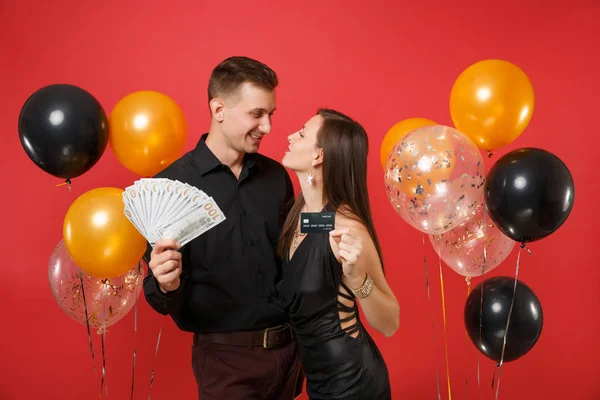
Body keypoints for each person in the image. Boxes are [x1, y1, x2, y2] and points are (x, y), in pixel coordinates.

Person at [143, 56, 304, 400]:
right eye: (256, 114)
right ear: (218, 110)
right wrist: (165, 283)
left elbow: (295, 256)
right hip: (225, 363)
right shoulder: (170, 186)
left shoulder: (277, 177)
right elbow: (157, 296)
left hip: (290, 355)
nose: (268, 127)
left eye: (270, 114)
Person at [274, 108, 400, 399]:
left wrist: (357, 279)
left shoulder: (345, 229)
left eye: (302, 133)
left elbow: (390, 324)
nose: (291, 136)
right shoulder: (306, 216)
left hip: (352, 383)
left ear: (319, 156)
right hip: (319, 381)